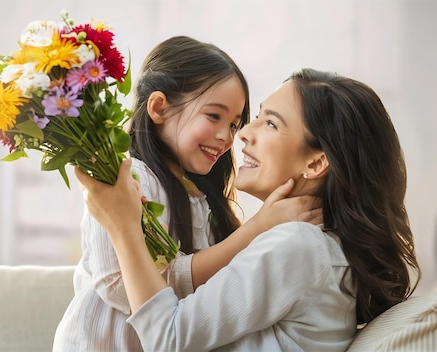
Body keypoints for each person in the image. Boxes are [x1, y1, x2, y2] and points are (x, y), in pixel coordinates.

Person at [75, 68, 422, 351]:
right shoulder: (311, 243)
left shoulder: (298, 245)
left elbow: (168, 339)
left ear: (316, 162)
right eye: (254, 118)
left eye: (270, 123)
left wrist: (124, 228)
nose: (240, 135)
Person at [53, 36, 321, 351]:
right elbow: (119, 286)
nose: (228, 137)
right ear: (159, 108)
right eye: (214, 116)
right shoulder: (126, 181)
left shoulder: (199, 197)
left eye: (234, 124)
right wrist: (259, 226)